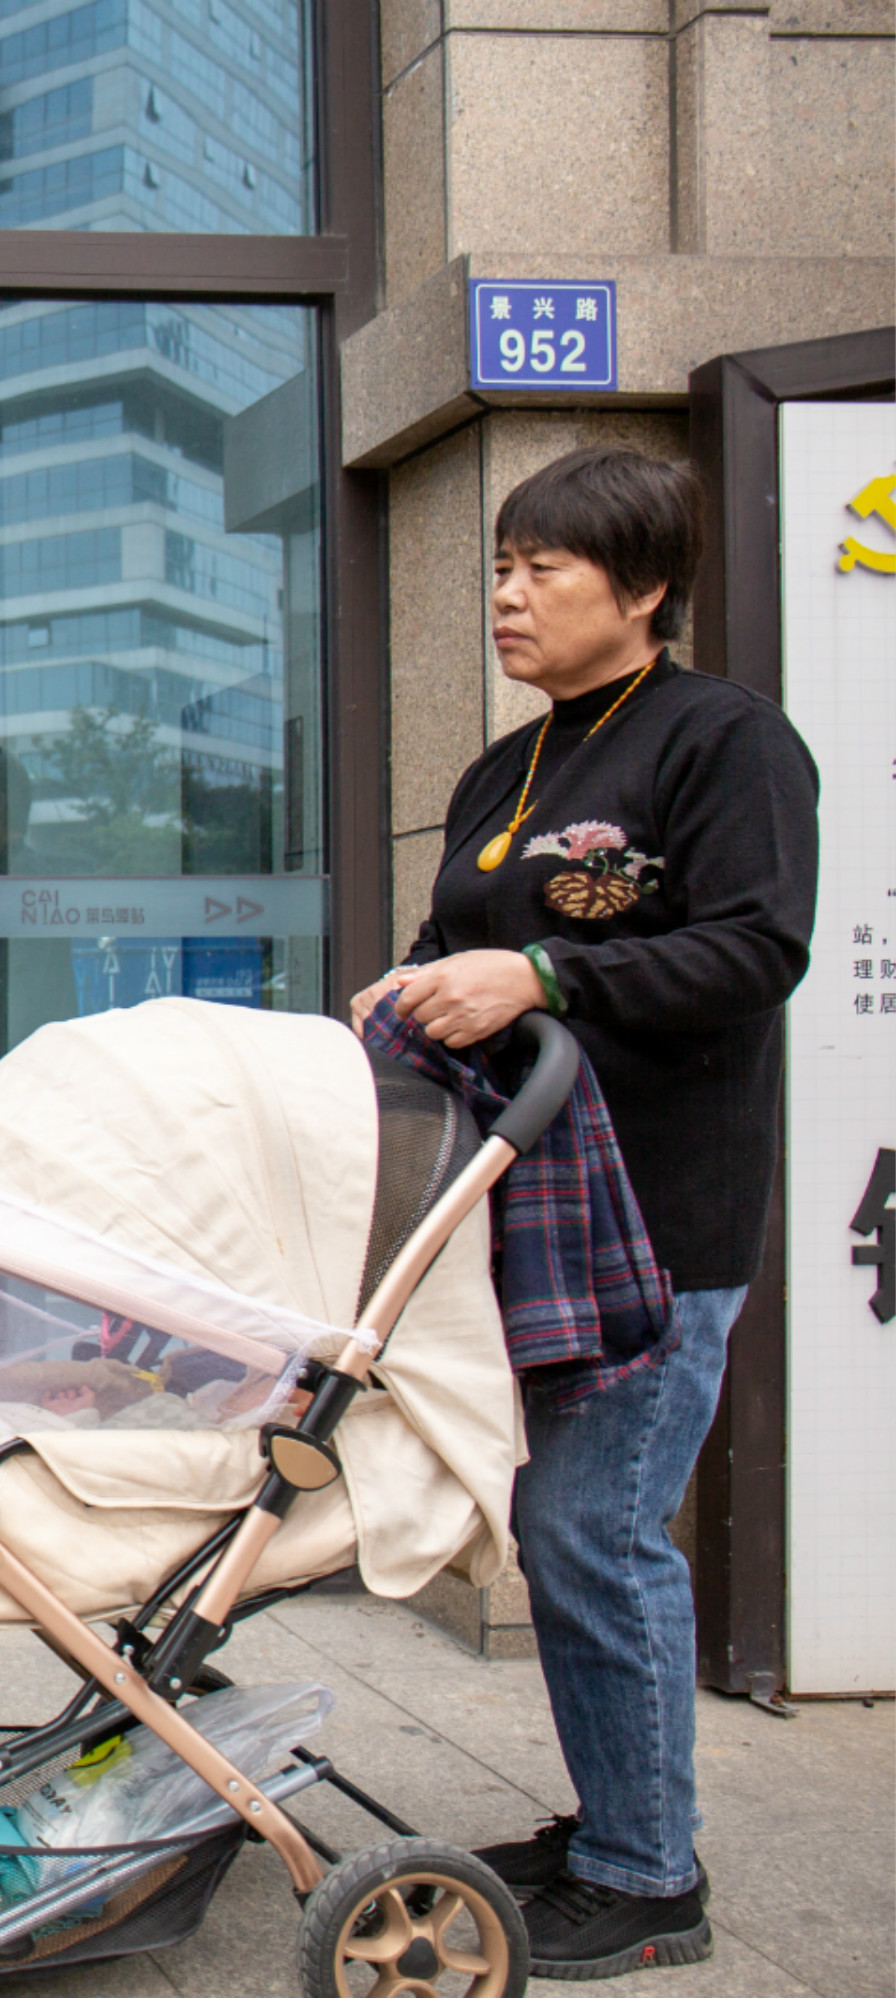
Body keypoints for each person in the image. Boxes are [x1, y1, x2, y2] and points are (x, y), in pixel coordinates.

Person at [350, 446, 815, 1980]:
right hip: (518, 1220)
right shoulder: (511, 766)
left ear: (649, 587)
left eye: (544, 568)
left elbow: (756, 950)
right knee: (566, 1534)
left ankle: (646, 1875)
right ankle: (622, 1817)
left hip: (657, 1221)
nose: (506, 593)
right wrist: (415, 985)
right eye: (500, 564)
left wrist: (544, 974)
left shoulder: (725, 742)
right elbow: (451, 941)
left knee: (591, 1524)